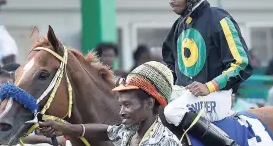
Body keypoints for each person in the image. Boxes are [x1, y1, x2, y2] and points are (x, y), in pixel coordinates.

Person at [156, 0, 252, 146]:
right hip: (186, 95)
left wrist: (209, 87)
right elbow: (169, 66)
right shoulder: (179, 25)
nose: (171, 0)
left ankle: (228, 144)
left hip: (217, 96)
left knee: (172, 111)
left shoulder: (219, 19)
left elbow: (242, 64)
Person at [39, 61, 182, 146]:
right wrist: (65, 128)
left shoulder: (165, 142)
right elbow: (106, 131)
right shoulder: (130, 132)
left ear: (149, 104)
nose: (121, 112)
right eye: (120, 105)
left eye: (127, 105)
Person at [0, 64, 66, 146]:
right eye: (1, 88)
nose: (7, 93)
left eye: (11, 88)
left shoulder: (21, 108)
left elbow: (24, 136)